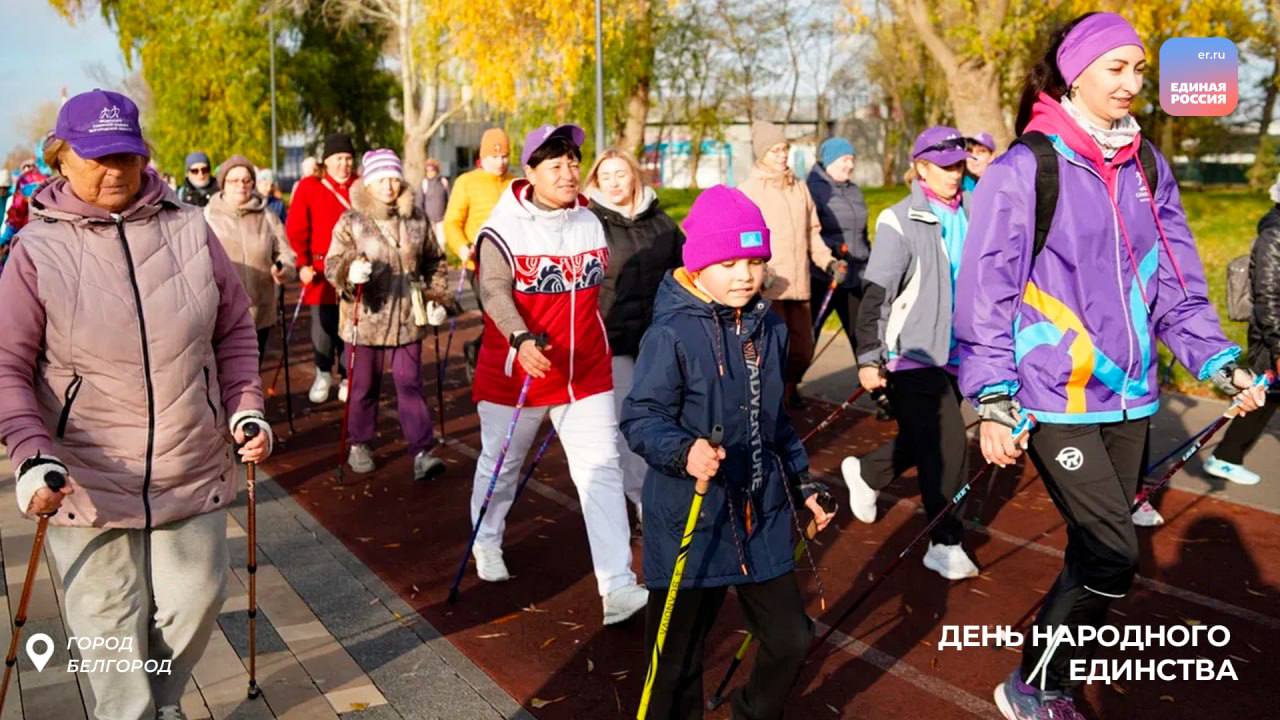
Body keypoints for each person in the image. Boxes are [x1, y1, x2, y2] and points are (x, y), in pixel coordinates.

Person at [953, 14, 1267, 719]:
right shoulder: (1023, 169)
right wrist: (993, 398)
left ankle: (1049, 680)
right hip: (1054, 398)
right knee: (1113, 553)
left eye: (1139, 69)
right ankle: (1034, 682)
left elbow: (1178, 285)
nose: (1131, 83)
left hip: (1133, 401)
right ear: (1075, 73)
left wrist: (1219, 363)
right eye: (1115, 68)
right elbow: (985, 296)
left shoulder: (1148, 166)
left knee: (1096, 555)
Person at [0, 89, 272, 720]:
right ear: (61, 158)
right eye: (97, 157)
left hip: (189, 463)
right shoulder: (35, 252)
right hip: (85, 481)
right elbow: (8, 367)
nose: (115, 170)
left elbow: (232, 329)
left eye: (126, 155)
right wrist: (31, 452)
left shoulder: (188, 229)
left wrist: (245, 405)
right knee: (108, 640)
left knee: (196, 603)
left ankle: (161, 702)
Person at [621, 185, 836, 719]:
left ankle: (750, 711)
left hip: (759, 516)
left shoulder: (769, 329)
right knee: (675, 664)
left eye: (754, 261)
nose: (744, 274)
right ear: (698, 267)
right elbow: (640, 418)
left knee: (791, 639)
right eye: (728, 261)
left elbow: (776, 423)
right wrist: (683, 451)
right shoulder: (669, 334)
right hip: (693, 518)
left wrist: (803, 485)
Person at [468, 124, 648, 625]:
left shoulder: (589, 218)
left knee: (601, 468)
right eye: (556, 164)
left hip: (585, 369)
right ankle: (486, 539)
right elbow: (495, 292)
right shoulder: (503, 228)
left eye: (573, 162)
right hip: (519, 370)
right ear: (530, 172)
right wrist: (521, 340)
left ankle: (617, 586)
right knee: (503, 464)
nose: (569, 173)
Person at [839, 126, 979, 581]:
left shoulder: (976, 212)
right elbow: (876, 294)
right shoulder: (899, 221)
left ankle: (867, 472)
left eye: (959, 165)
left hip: (962, 352)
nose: (954, 175)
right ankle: (945, 542)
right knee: (950, 444)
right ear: (920, 167)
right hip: (913, 354)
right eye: (944, 167)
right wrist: (868, 356)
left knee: (927, 440)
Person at [324, 149, 450, 480]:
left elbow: (435, 260)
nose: (389, 186)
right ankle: (360, 442)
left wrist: (437, 297)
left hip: (408, 317)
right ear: (369, 183)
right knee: (364, 386)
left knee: (410, 382)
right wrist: (349, 273)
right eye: (381, 179)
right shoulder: (351, 220)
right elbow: (332, 263)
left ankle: (423, 451)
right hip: (364, 319)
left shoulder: (417, 217)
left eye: (394, 178)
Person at [585, 147, 684, 518]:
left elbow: (687, 267)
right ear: (596, 181)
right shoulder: (589, 222)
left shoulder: (662, 223)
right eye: (605, 176)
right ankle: (642, 498)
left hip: (659, 334)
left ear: (634, 176)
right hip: (613, 337)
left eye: (620, 174)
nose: (614, 183)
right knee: (631, 414)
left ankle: (670, 482)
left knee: (668, 412)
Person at [737, 121, 842, 408]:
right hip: (769, 289)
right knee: (772, 354)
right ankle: (774, 410)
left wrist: (828, 262)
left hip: (800, 285)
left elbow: (812, 232)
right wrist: (759, 273)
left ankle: (787, 392)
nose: (782, 155)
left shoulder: (799, 188)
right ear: (761, 155)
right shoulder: (749, 191)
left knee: (802, 352)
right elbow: (744, 241)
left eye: (784, 149)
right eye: (775, 150)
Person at [1193, 175, 1280, 487]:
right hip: (1271, 334)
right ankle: (1225, 457)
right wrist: (1277, 345)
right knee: (1261, 396)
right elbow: (1268, 296)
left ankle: (1226, 457)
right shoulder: (1274, 235)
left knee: (1266, 398)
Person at [203, 155, 297, 363]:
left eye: (246, 180)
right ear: (223, 184)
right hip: (221, 314)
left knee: (252, 370)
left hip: (260, 312)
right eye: (234, 181)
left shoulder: (268, 216)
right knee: (223, 374)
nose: (241, 186)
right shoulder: (207, 217)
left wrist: (283, 269)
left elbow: (287, 254)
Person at [287, 133, 358, 404]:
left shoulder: (361, 188)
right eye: (338, 159)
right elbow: (296, 228)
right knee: (323, 325)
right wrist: (302, 263)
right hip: (320, 269)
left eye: (348, 159)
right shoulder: (310, 188)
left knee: (351, 326)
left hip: (354, 270)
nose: (344, 165)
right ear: (326, 161)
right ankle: (322, 371)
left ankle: (347, 375)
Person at [443, 128, 513, 375]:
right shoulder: (466, 182)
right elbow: (452, 221)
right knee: (496, 317)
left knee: (509, 319)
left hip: (514, 265)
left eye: (504, 156)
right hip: (480, 263)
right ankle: (484, 360)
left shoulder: (515, 184)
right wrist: (462, 247)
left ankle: (481, 351)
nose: (500, 162)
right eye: (494, 157)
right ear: (482, 157)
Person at [806, 137, 870, 358]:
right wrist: (834, 250)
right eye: (844, 159)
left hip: (855, 274)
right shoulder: (813, 190)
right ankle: (788, 387)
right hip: (825, 276)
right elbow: (809, 231)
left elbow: (861, 232)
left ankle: (875, 387)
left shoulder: (854, 191)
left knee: (862, 335)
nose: (850, 165)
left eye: (852, 159)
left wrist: (868, 256)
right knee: (809, 335)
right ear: (829, 161)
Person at [418, 158, 450, 252]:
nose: (430, 172)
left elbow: (449, 199)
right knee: (430, 241)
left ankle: (442, 259)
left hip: (442, 218)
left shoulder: (443, 182)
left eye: (432, 170)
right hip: (429, 219)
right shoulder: (424, 183)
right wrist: (422, 217)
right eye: (427, 170)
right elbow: (419, 202)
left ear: (436, 170)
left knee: (442, 241)